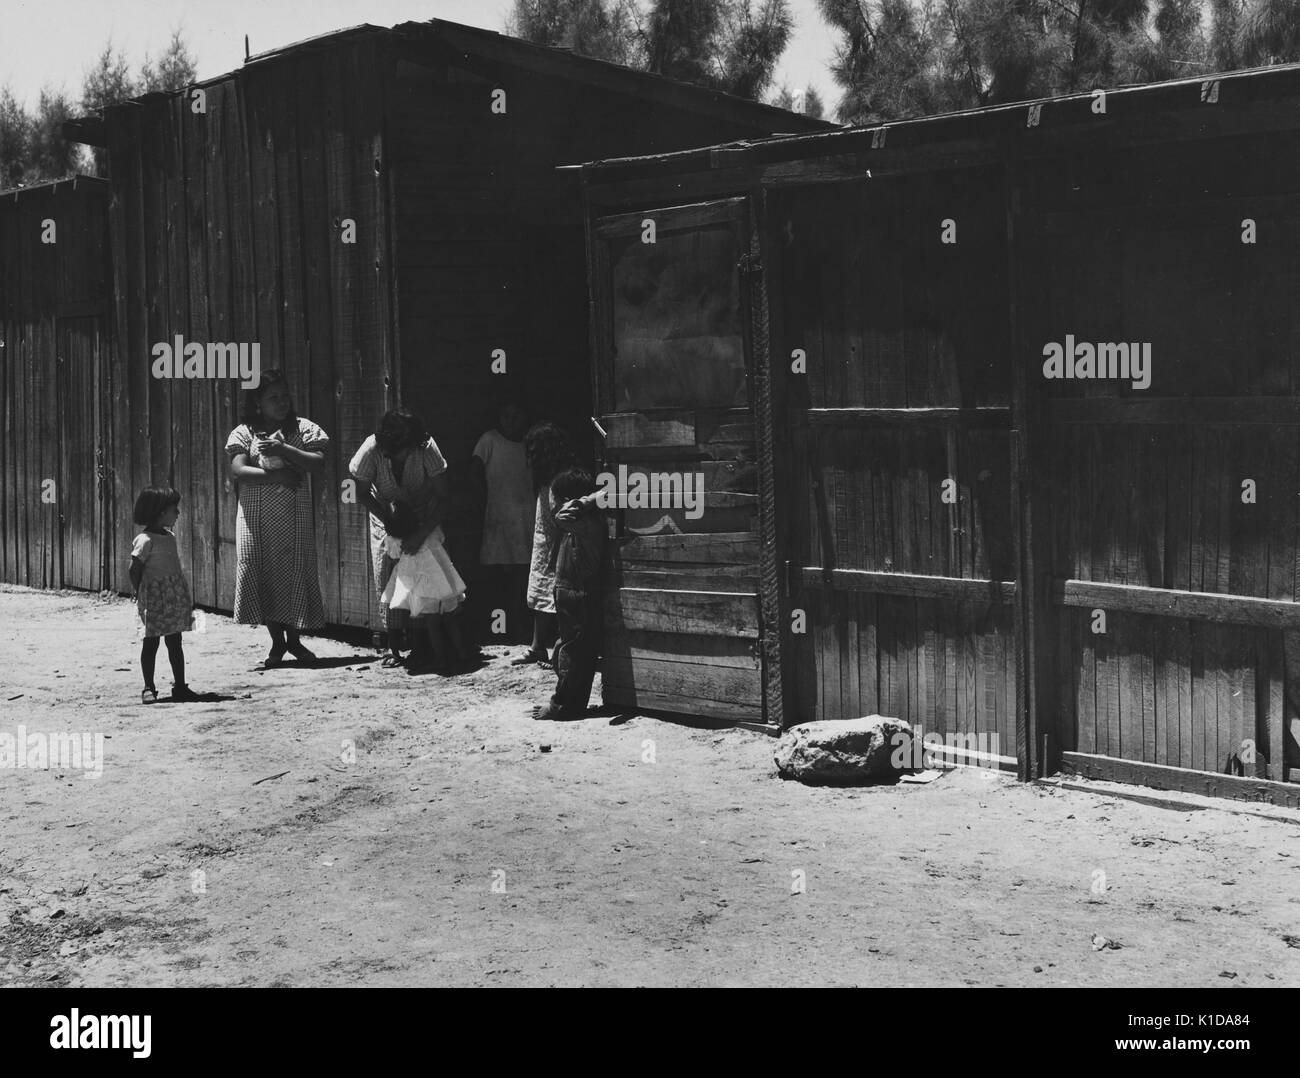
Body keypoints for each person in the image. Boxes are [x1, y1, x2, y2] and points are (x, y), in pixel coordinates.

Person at [350, 408, 475, 673]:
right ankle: (394, 646)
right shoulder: (371, 450)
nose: (408, 453)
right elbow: (361, 493)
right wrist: (393, 521)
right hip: (386, 513)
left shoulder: (427, 448)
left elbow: (443, 496)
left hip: (425, 513)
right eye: (403, 449)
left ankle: (424, 646)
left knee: (429, 580)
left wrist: (420, 533)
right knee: (390, 578)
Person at [225, 370, 330, 668]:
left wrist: (284, 448)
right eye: (273, 398)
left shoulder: (303, 429)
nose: (281, 402)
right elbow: (238, 471)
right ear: (258, 402)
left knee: (291, 570)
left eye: (284, 396)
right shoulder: (245, 432)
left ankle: (295, 641)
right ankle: (277, 643)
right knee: (264, 572)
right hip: (255, 518)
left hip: (293, 516)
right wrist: (278, 475)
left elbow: (319, 464)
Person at [534, 467, 605, 721]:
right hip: (570, 595)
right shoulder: (577, 525)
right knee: (566, 651)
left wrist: (587, 500)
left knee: (574, 655)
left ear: (566, 500)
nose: (550, 503)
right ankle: (564, 701)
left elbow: (562, 515)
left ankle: (562, 707)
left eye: (553, 497)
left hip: (579, 595)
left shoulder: (584, 523)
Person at [380, 501, 471, 673]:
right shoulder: (431, 532)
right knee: (451, 619)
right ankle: (462, 653)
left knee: (433, 623)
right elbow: (441, 538)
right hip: (444, 583)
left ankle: (440, 659)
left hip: (426, 589)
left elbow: (392, 556)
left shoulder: (396, 542)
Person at [513, 422, 574, 668]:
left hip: (559, 543)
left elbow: (563, 518)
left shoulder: (562, 479)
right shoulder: (543, 478)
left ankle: (562, 648)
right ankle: (538, 647)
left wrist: (557, 547)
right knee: (539, 594)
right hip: (543, 541)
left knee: (560, 597)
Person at [129, 486, 199, 703]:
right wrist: (139, 590)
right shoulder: (145, 540)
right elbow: (134, 568)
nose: (177, 513)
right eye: (173, 509)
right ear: (160, 513)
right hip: (154, 598)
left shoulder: (169, 536)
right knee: (150, 643)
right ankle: (148, 687)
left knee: (175, 641)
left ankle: (180, 686)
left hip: (173, 596)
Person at [471, 399, 532, 643]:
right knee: (499, 575)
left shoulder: (529, 442)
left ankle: (520, 628)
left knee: (522, 575)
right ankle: (500, 630)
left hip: (525, 517)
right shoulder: (490, 440)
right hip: (498, 517)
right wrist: (481, 502)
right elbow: (474, 471)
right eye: (505, 415)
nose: (510, 421)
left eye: (516, 415)